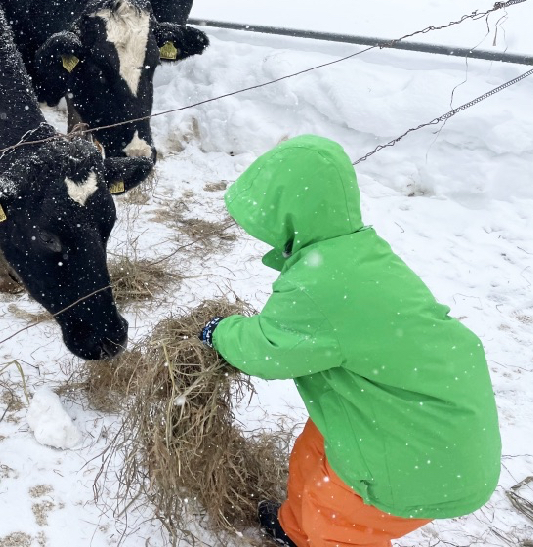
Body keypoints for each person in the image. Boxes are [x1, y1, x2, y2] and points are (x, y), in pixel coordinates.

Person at [198, 134, 500, 547]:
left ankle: (318, 534)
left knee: (341, 523)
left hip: (412, 461)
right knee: (314, 450)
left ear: (288, 214)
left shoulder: (320, 285)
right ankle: (295, 529)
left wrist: (221, 332)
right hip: (410, 419)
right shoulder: (357, 253)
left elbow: (266, 349)